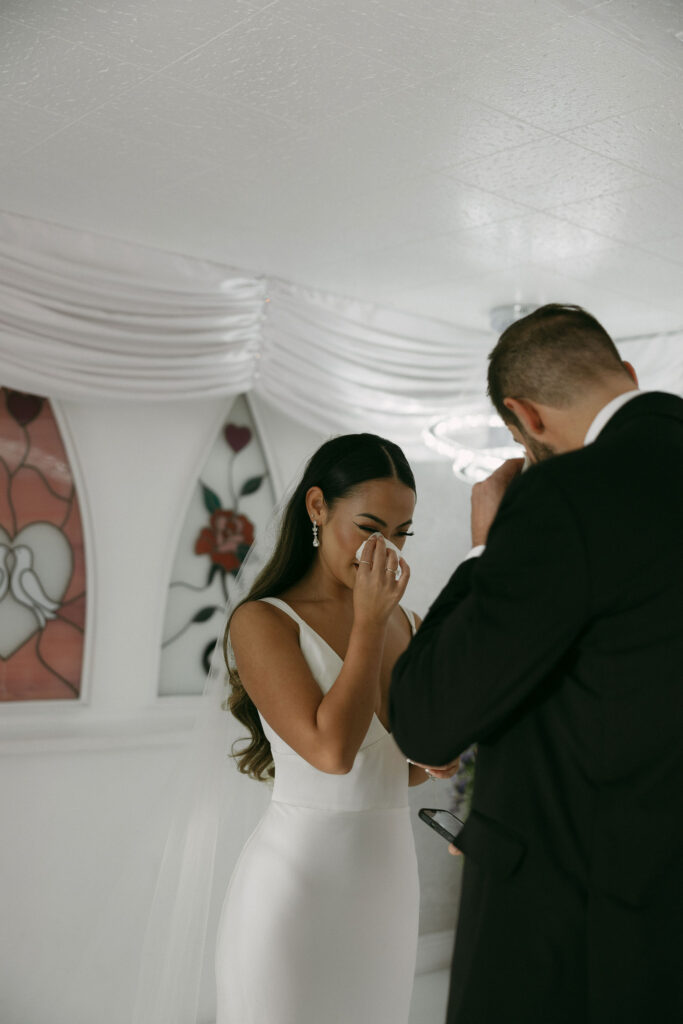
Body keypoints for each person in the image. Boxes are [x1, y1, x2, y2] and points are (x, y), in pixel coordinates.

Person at [389, 304, 683, 1024]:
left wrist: (484, 546)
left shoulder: (566, 495)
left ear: (524, 419)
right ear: (628, 376)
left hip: (577, 932)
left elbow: (427, 723)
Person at [215, 432, 457, 1024]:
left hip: (388, 885)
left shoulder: (411, 622)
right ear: (318, 507)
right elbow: (332, 754)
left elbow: (395, 772)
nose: (388, 552)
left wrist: (438, 758)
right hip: (297, 891)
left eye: (402, 534)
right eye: (371, 529)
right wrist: (369, 623)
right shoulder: (263, 622)